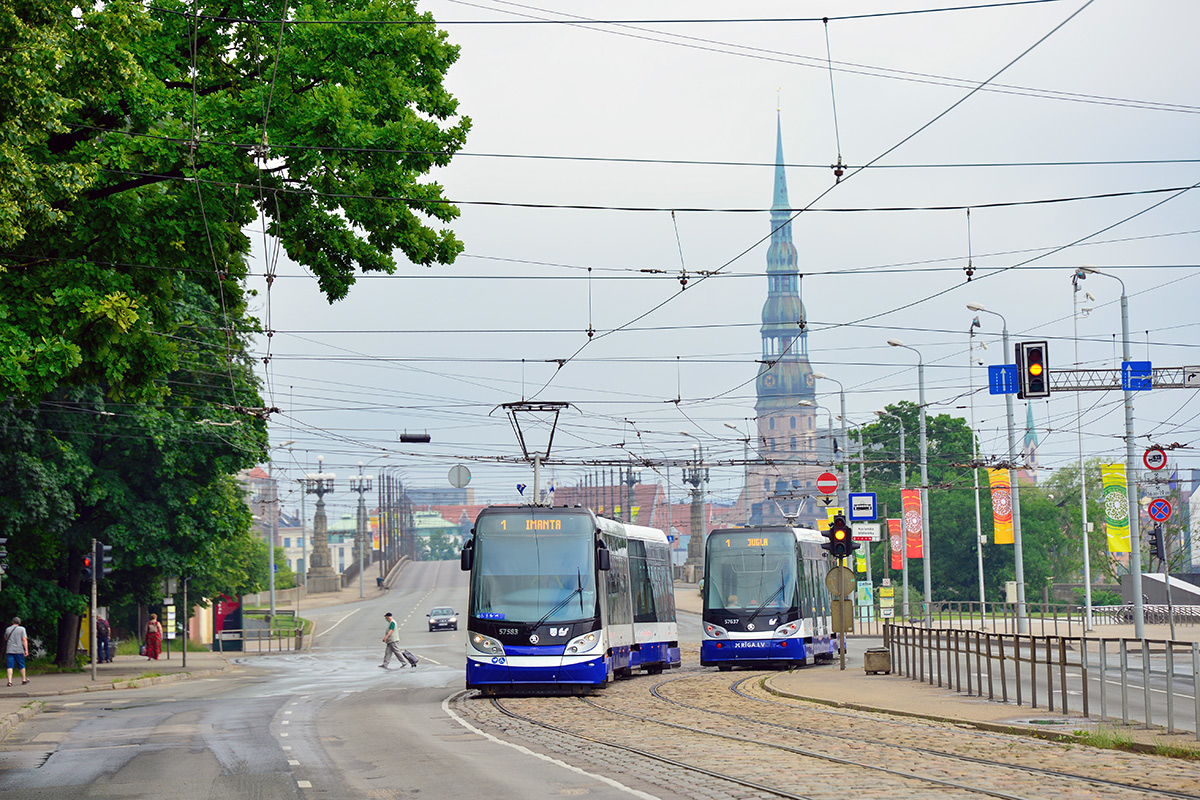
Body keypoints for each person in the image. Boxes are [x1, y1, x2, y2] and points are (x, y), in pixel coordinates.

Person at [5, 616, 29, 687]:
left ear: (12, 622)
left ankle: (9, 681)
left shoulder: (8, 629)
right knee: (21, 665)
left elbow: (6, 638)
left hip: (10, 650)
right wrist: (26, 649)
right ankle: (24, 680)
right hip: (19, 650)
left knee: (9, 666)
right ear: (19, 622)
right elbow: (24, 639)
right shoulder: (22, 629)